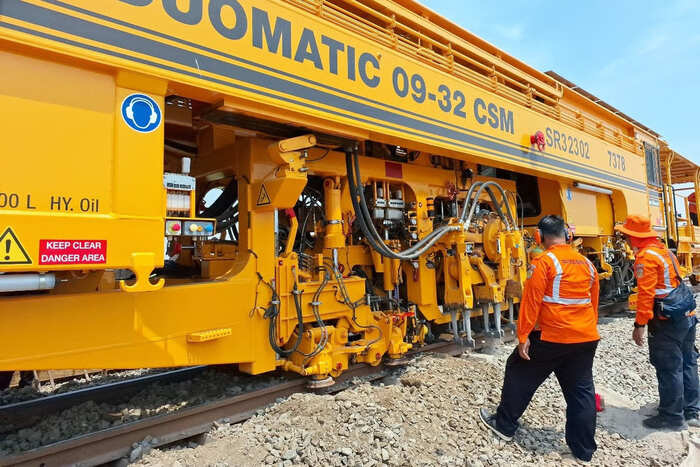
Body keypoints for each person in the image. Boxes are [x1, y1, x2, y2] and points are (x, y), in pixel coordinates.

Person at [479, 215, 600, 462]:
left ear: (539, 237)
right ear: (567, 235)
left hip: (552, 337)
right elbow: (593, 302)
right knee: (581, 391)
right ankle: (583, 451)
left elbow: (531, 301)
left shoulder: (544, 262)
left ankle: (503, 425)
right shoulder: (587, 264)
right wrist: (586, 329)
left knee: (518, 371)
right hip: (585, 337)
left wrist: (523, 335)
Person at [615, 214, 700, 429]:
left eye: (626, 236)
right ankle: (692, 411)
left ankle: (672, 417)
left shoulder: (646, 257)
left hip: (666, 320)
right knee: (688, 362)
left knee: (669, 367)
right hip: (685, 315)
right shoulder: (664, 251)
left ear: (635, 237)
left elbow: (646, 295)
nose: (626, 240)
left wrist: (639, 325)